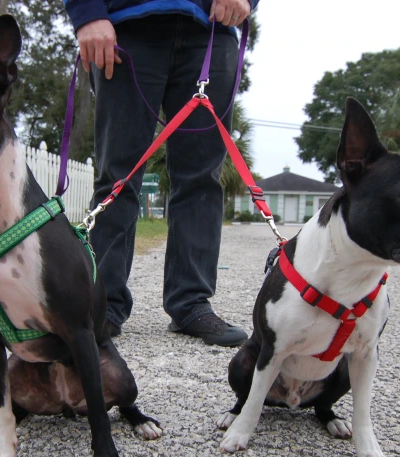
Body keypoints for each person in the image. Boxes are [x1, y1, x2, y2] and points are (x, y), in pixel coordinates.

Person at [63, 0, 257, 347]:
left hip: (210, 30)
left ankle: (191, 302)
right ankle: (102, 304)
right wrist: (87, 14)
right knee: (118, 176)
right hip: (127, 28)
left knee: (202, 176)